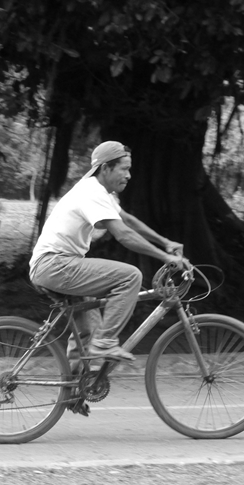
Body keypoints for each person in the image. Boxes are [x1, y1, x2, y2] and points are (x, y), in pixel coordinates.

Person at [29, 141, 190, 365]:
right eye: (124, 168)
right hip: (55, 265)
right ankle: (104, 342)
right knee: (130, 276)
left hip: (57, 265)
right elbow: (123, 234)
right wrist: (165, 257)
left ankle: (74, 394)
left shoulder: (100, 192)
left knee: (87, 331)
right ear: (105, 168)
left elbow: (128, 220)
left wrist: (166, 243)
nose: (129, 175)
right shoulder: (91, 191)